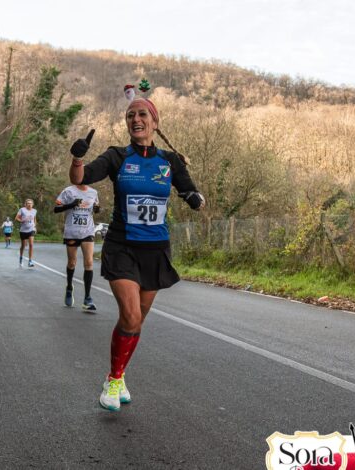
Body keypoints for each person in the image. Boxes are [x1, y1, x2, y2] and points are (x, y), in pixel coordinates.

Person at [69, 96, 205, 412]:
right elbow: (81, 178)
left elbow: (191, 192)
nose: (136, 119)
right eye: (130, 115)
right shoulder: (117, 156)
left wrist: (195, 198)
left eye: (142, 114)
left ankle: (118, 375)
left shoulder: (170, 161)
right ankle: (114, 379)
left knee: (136, 322)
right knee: (130, 316)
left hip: (155, 250)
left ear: (154, 122)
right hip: (122, 246)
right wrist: (77, 158)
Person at [54, 184, 101, 311]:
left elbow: (96, 209)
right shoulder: (68, 191)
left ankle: (87, 298)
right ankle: (69, 287)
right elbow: (56, 209)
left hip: (88, 231)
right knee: (72, 262)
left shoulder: (93, 192)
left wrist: (97, 209)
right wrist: (71, 204)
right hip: (72, 232)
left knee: (89, 262)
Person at [16, 199, 37, 267]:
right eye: (28, 203)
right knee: (23, 246)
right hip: (23, 230)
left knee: (31, 244)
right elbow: (16, 218)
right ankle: (21, 258)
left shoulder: (34, 211)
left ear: (32, 204)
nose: (29, 204)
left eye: (30, 203)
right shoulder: (22, 210)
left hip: (31, 229)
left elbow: (34, 219)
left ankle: (30, 261)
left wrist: (35, 227)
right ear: (25, 204)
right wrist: (21, 220)